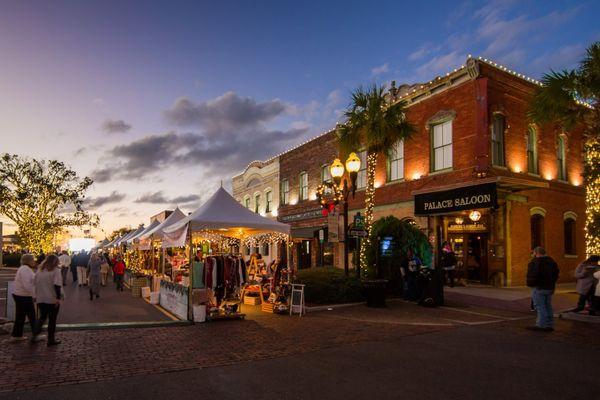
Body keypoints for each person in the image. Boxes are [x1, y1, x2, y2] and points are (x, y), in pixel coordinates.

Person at [10, 254, 43, 343]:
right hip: (23, 295)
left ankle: (17, 335)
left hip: (20, 294)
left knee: (20, 316)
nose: (34, 261)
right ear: (28, 261)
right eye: (33, 260)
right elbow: (27, 285)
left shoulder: (25, 268)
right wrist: (34, 296)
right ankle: (35, 335)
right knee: (31, 316)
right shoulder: (25, 269)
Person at [526, 247, 559, 331]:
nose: (533, 255)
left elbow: (534, 275)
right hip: (549, 287)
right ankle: (549, 324)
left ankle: (541, 325)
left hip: (539, 287)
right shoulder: (552, 262)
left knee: (540, 306)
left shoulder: (537, 262)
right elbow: (556, 274)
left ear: (537, 253)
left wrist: (531, 283)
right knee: (548, 305)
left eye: (533, 253)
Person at [33, 254, 62, 346]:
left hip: (41, 298)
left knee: (42, 317)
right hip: (51, 298)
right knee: (52, 320)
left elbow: (34, 283)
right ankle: (51, 339)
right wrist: (58, 298)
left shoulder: (40, 271)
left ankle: (35, 334)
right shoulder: (56, 271)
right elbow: (57, 285)